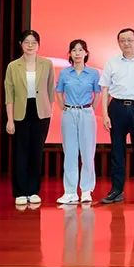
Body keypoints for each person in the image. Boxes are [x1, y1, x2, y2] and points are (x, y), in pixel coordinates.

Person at [99, 28, 134, 204]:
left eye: (129, 40)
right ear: (118, 43)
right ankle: (116, 190)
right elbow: (105, 89)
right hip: (117, 107)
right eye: (122, 40)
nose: (126, 43)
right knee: (117, 151)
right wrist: (105, 114)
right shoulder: (112, 62)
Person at [4, 29, 55, 206]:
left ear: (38, 45)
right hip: (20, 112)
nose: (30, 45)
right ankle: (20, 191)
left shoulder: (47, 64)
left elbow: (51, 89)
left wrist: (49, 110)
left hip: (41, 113)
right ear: (21, 44)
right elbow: (9, 95)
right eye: (27, 42)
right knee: (20, 152)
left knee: (36, 152)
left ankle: (33, 190)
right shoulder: (13, 66)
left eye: (34, 42)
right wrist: (10, 119)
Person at [55, 39, 101, 204]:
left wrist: (90, 109)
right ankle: (70, 192)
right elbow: (59, 92)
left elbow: (97, 93)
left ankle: (86, 190)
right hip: (69, 113)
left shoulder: (93, 73)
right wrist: (64, 107)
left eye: (81, 50)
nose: (77, 53)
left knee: (88, 152)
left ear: (86, 53)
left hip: (86, 113)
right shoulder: (64, 73)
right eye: (74, 50)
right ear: (70, 54)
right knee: (70, 152)